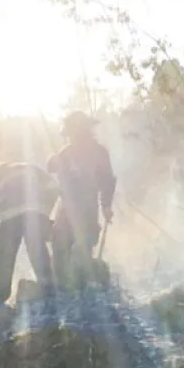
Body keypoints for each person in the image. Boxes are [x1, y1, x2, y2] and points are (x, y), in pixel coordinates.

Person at [0, 162, 60, 307]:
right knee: (37, 248)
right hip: (35, 214)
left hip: (9, 218)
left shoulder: (0, 175)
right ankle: (48, 287)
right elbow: (54, 187)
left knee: (4, 254)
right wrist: (45, 211)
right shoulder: (33, 168)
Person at [47, 111, 116, 289]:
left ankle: (82, 286)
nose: (72, 137)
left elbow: (107, 180)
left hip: (87, 207)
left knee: (83, 247)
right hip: (65, 208)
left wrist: (106, 205)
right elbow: (51, 168)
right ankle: (62, 289)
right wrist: (54, 161)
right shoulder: (65, 152)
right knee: (60, 247)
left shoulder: (99, 152)